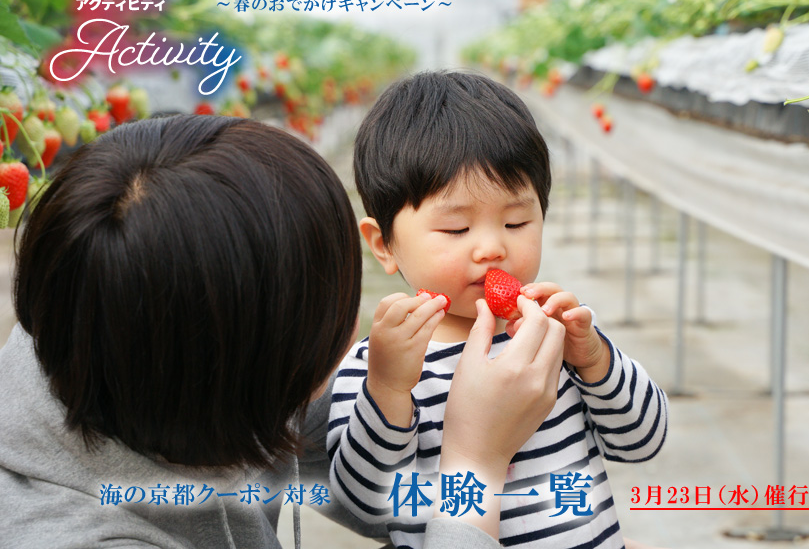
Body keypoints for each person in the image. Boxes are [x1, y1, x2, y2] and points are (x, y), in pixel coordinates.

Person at [0, 114, 565, 548]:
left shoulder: (117, 313)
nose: (348, 336)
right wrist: (475, 461)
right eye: (325, 321)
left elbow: (371, 492)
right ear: (245, 376)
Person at [328, 71, 669, 549]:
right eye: (455, 229)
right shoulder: (380, 366)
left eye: (516, 221)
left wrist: (596, 362)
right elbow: (365, 500)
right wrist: (387, 391)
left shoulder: (553, 334)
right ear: (384, 245)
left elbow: (643, 440)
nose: (492, 248)